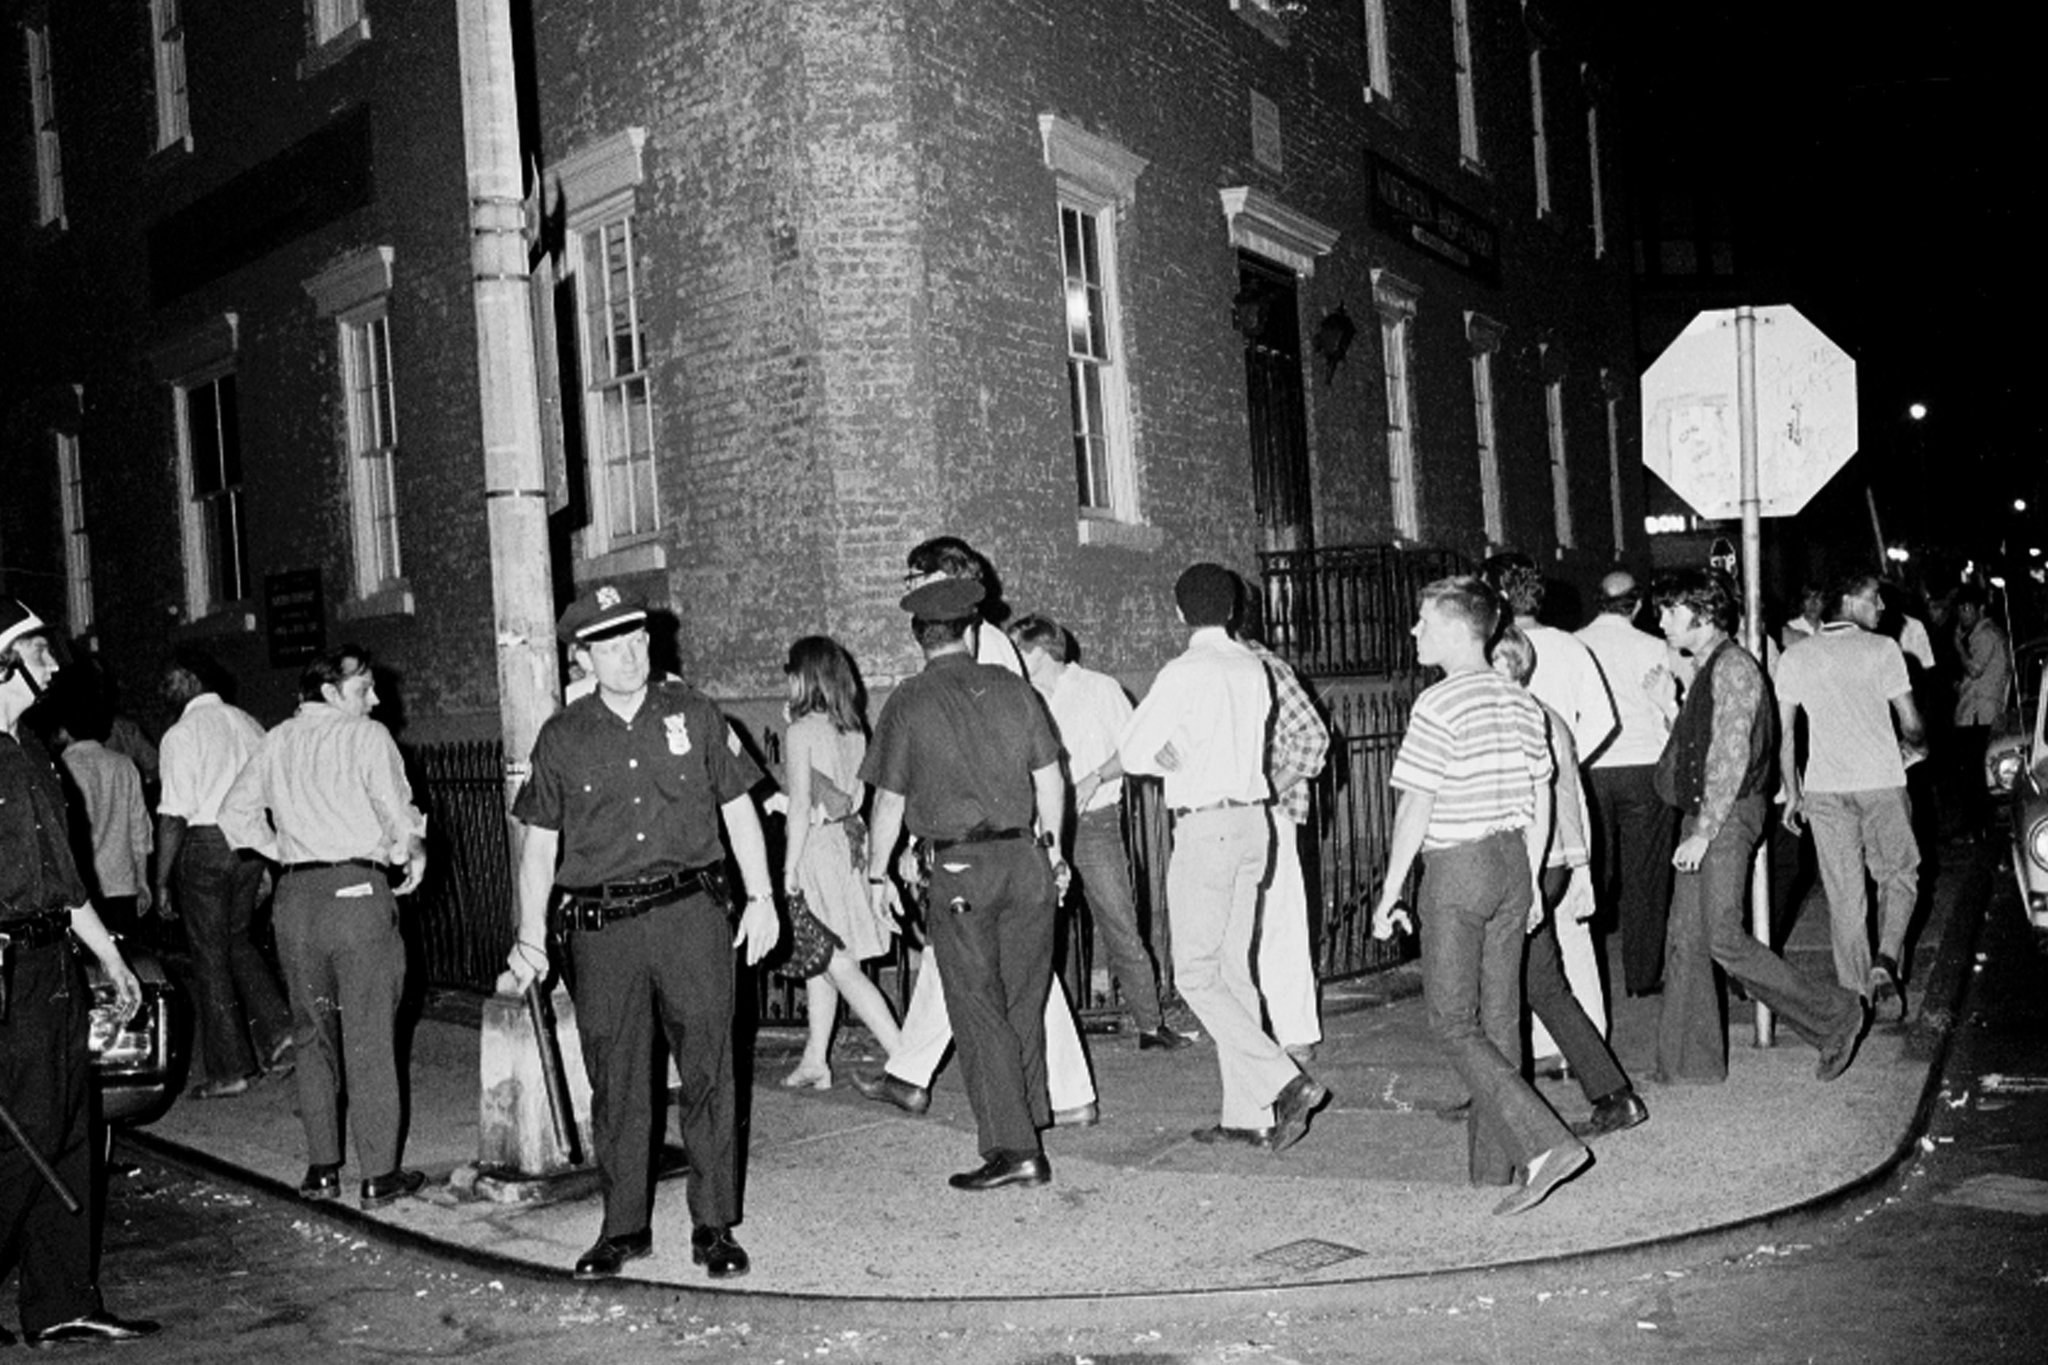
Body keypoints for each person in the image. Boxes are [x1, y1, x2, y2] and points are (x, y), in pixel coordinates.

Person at [500, 587, 780, 1279]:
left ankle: (714, 1225)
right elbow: (539, 844)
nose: (631, 653)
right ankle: (623, 1227)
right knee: (618, 1081)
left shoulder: (695, 713)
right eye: (613, 644)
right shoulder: (563, 735)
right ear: (585, 656)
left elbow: (739, 808)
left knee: (711, 1069)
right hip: (606, 929)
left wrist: (765, 896)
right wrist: (529, 936)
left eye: (639, 639)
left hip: (693, 914)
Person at [851, 537, 1097, 1124]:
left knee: (998, 992)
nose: (909, 587)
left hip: (980, 846)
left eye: (916, 576)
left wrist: (893, 859)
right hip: (1004, 846)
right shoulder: (981, 652)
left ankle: (1050, 1104)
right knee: (981, 979)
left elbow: (955, 763)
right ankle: (917, 1074)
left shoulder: (974, 652)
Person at [1368, 577, 1588, 1216]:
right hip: (1512, 863)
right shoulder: (1520, 701)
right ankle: (1498, 1168)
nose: (1415, 632)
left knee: (1451, 1020)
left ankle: (1545, 1143)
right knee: (1501, 1019)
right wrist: (1535, 870)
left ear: (1460, 630)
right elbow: (1543, 794)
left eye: (1423, 622)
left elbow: (1416, 805)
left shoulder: (1438, 704)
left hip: (1459, 868)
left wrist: (1389, 892)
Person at [1120, 564, 1328, 1153]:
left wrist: (1170, 755)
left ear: (1180, 612)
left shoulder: (1185, 671)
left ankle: (1283, 1079)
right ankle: (1249, 1114)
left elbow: (1134, 751)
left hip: (1206, 827)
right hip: (1253, 823)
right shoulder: (1253, 667)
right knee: (1235, 971)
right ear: (1235, 610)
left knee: (1195, 973)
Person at [218, 647, 430, 1212]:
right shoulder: (366, 738)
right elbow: (397, 813)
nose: (376, 700)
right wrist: (412, 849)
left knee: (312, 1033)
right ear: (331, 692)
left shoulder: (277, 739)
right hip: (355, 896)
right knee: (368, 1036)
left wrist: (283, 850)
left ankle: (321, 1168)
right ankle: (379, 1174)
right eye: (364, 689)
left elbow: (234, 815)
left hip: (295, 900)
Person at [0, 598, 159, 1345]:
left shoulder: (35, 751)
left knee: (70, 1125)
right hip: (4, 972)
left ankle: (61, 1298)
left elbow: (66, 884)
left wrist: (112, 958)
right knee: (23, 1129)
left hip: (52, 961)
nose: (54, 663)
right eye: (38, 650)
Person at [1647, 569, 1869, 1085]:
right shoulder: (1708, 668)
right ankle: (1688, 1065)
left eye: (1670, 610)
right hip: (1708, 812)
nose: (1661, 620)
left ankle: (1837, 1015)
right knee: (1686, 935)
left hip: (1724, 815)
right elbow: (1698, 755)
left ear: (1703, 613)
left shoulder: (1734, 669)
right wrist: (1668, 710)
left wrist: (1704, 830)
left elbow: (1730, 752)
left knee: (1722, 937)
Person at [1488, 626, 1649, 1139]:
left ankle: (1497, 1100)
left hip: (1523, 866)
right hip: (1550, 864)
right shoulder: (1548, 717)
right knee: (1543, 986)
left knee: (1496, 984)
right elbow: (1571, 798)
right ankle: (1613, 1095)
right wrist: (1578, 871)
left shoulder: (1506, 717)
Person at [1007, 613, 1187, 1051]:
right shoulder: (1023, 697)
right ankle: (1062, 1029)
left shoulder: (1099, 689)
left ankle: (1150, 1022)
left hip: (1095, 823)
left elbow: (1136, 747)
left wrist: (1094, 778)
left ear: (1038, 652)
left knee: (1118, 919)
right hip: (1041, 827)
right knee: (1049, 926)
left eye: (1018, 649)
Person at [1776, 575, 1925, 1018]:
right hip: (1880, 781)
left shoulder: (1796, 656)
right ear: (1848, 601)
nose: (1881, 606)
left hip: (1823, 788)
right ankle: (1885, 961)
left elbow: (1785, 734)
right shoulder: (1883, 650)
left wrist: (1792, 792)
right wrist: (1917, 747)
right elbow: (1911, 722)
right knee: (1898, 875)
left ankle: (1857, 998)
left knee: (1843, 895)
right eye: (1873, 598)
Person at [1483, 553, 1614, 1050]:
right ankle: (1585, 1042)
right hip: (1562, 798)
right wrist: (1568, 759)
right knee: (1570, 929)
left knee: (1519, 939)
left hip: (1513, 805)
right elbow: (1602, 721)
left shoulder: (1487, 651)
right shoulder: (1571, 646)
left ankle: (1535, 1046)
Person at [154, 650, 294, 1100]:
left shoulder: (181, 734)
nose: (165, 686)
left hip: (207, 842)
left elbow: (173, 815)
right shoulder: (249, 723)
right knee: (238, 940)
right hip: (251, 843)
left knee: (209, 955)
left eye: (173, 677)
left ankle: (231, 1068)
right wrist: (268, 858)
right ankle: (280, 1032)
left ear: (195, 680)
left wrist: (160, 879)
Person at [778, 635, 903, 1088]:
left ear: (804, 678)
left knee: (837, 961)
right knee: (822, 956)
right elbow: (857, 795)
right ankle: (815, 1059)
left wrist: (789, 869)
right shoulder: (854, 730)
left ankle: (904, 1056)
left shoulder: (799, 733)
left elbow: (799, 808)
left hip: (817, 848)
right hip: (852, 844)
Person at [1574, 571, 1680, 1000]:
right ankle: (1641, 975)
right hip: (1644, 768)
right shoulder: (1657, 647)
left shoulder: (1574, 643)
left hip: (1592, 767)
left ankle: (1586, 973)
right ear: (1637, 606)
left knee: (1595, 871)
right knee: (1646, 876)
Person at [1238, 629, 1331, 1063]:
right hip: (1223, 814)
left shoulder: (1266, 667)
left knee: (1279, 923)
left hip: (1268, 813)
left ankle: (1295, 1032)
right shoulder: (1208, 668)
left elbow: (1313, 738)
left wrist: (1266, 793)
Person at [53, 693, 152, 943]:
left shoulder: (60, 768)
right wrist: (142, 881)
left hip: (81, 892)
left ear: (65, 730)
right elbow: (139, 829)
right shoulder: (124, 765)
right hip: (122, 883)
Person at [1950, 585, 2011, 834]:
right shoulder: (1980, 634)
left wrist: (1958, 646)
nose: (1963, 615)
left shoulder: (1985, 635)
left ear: (1980, 609)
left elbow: (1975, 669)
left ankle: (1977, 827)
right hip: (1978, 711)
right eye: (1960, 610)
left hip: (1981, 715)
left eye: (1967, 609)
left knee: (1975, 775)